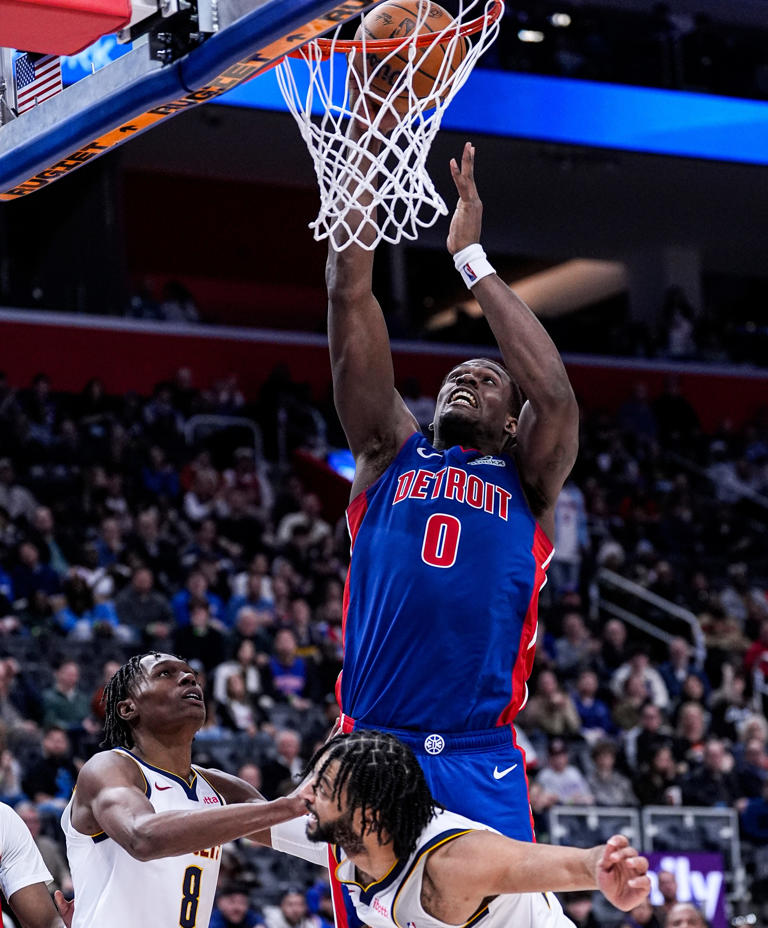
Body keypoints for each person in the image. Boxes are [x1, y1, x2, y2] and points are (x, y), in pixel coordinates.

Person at [326, 140, 579, 845]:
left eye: (488, 378)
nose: (465, 378)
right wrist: (368, 147)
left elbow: (555, 394)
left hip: (479, 759)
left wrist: (472, 260)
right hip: (371, 747)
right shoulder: (388, 453)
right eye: (453, 376)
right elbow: (349, 292)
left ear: (509, 420)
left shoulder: (526, 479)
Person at [263, 731, 649, 928]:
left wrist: (598, 866)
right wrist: (201, 780)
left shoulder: (451, 864)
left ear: (369, 816)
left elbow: (544, 864)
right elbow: (252, 818)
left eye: (323, 788)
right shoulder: (348, 838)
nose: (306, 796)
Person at [60, 651, 310, 928]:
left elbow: (311, 837)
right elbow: (143, 837)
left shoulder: (220, 787)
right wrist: (284, 806)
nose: (189, 678)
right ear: (128, 708)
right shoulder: (108, 768)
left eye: (190, 674)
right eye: (165, 673)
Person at [0, 801, 69, 928]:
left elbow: (45, 922)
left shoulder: (4, 818)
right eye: (27, 821)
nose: (30, 826)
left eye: (34, 821)